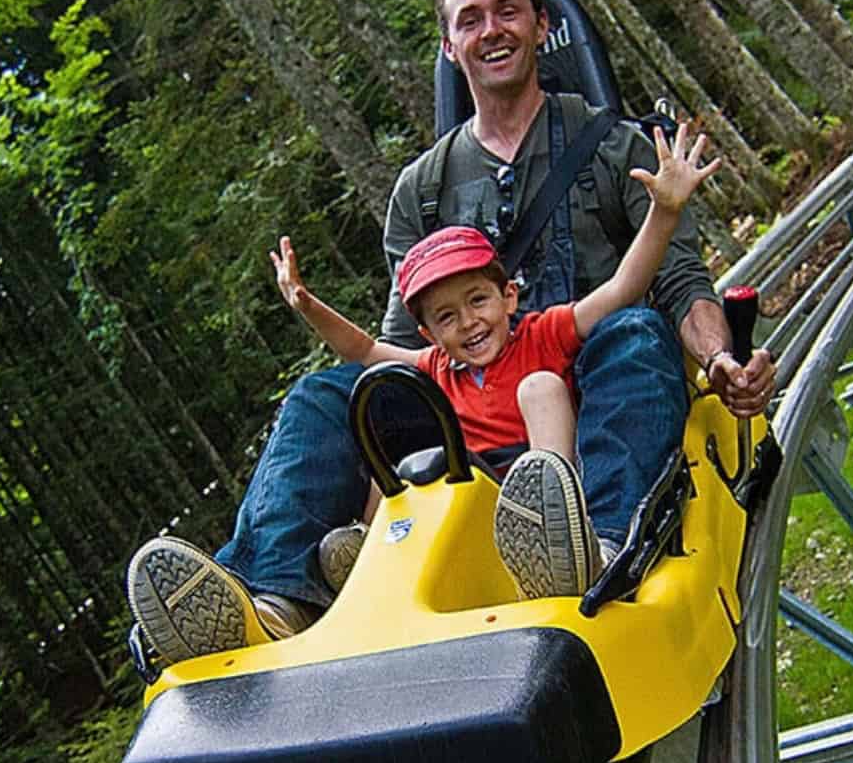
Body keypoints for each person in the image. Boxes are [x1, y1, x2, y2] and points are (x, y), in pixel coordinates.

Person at [126, 0, 775, 670]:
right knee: (323, 394)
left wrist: (721, 358)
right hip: (471, 412)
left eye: (507, 11)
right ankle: (272, 599)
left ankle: (603, 543)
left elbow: (678, 281)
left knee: (630, 329)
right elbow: (398, 356)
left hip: (592, 391)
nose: (491, 29)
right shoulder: (422, 191)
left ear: (538, 25)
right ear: (450, 43)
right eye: (472, 19)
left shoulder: (614, 146)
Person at [270, 111, 718, 592]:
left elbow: (623, 288)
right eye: (446, 317)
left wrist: (664, 212)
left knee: (540, 385)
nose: (468, 322)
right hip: (477, 503)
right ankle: (375, 553)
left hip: (548, 484)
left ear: (508, 297)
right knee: (391, 423)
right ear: (427, 333)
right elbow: (361, 349)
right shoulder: (438, 367)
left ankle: (563, 530)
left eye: (478, 300)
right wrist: (307, 304)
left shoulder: (544, 332)